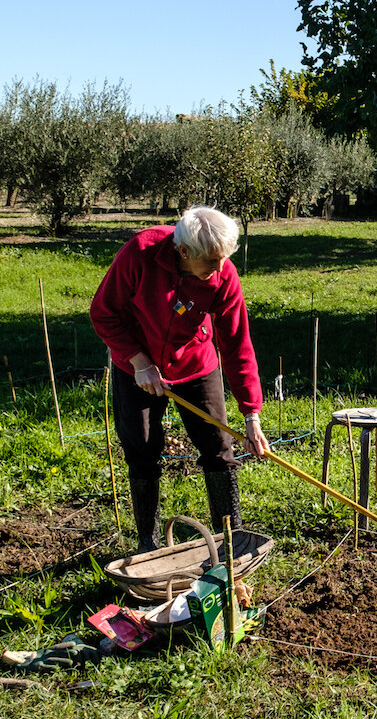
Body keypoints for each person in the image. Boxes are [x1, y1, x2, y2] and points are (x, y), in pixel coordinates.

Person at [90, 205, 270, 551]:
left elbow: (237, 345)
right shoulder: (139, 254)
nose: (221, 269)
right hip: (135, 367)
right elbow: (103, 312)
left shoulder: (223, 274)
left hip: (195, 364)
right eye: (212, 262)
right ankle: (149, 543)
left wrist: (251, 414)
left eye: (224, 260)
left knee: (219, 448)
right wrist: (139, 361)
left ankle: (230, 541)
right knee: (141, 449)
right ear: (183, 252)